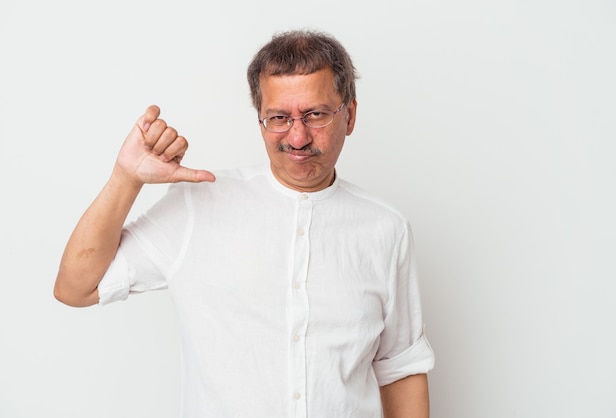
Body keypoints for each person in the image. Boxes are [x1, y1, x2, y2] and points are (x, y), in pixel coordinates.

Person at [54, 29, 435, 418]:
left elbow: (400, 367)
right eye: (279, 118)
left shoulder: (386, 228)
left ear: (349, 115)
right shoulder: (197, 206)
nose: (298, 136)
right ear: (260, 120)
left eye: (316, 114)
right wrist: (126, 178)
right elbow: (76, 287)